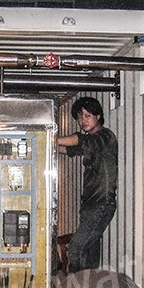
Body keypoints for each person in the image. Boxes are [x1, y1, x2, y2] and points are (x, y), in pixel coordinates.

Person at [57, 97, 118, 273]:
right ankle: (89, 287)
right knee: (89, 254)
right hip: (90, 205)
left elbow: (78, 140)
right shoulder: (92, 141)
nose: (82, 120)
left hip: (101, 204)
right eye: (79, 117)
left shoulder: (105, 137)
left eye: (87, 115)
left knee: (76, 249)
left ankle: (74, 286)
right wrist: (45, 143)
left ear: (98, 116)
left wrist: (52, 137)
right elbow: (67, 149)